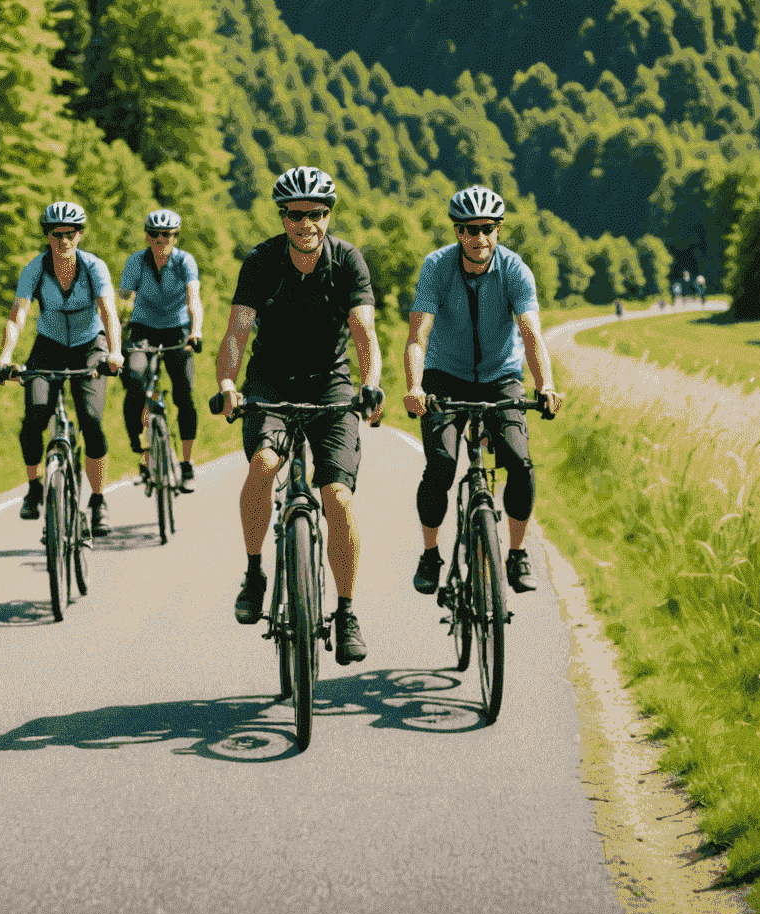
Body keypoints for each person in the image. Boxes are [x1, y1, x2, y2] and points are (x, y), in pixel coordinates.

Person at [214, 166, 383, 666]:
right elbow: (236, 333)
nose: (306, 222)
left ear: (328, 215)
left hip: (331, 382)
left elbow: (363, 330)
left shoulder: (347, 260)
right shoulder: (262, 261)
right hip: (270, 380)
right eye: (295, 214)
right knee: (264, 465)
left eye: (316, 214)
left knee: (336, 495)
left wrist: (370, 382)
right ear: (283, 217)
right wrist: (228, 382)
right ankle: (254, 572)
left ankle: (347, 612)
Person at [402, 185, 562, 598]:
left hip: (499, 375)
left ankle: (517, 553)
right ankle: (431, 554)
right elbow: (418, 336)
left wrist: (544, 384)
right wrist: (414, 386)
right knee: (440, 463)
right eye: (470, 230)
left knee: (520, 463)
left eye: (488, 229)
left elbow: (531, 333)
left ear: (498, 229)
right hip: (444, 375)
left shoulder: (515, 270)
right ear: (457, 232)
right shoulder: (436, 267)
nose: (480, 238)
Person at [0, 202, 124, 537]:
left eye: (70, 234)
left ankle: (97, 501)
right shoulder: (35, 270)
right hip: (48, 348)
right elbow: (17, 316)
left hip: (90, 347)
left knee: (91, 422)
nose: (63, 240)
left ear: (80, 235)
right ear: (47, 236)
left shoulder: (94, 267)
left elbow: (109, 313)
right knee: (35, 417)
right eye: (56, 234)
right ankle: (35, 486)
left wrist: (115, 352)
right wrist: (5, 357)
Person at [119, 208, 204, 491]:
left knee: (184, 394)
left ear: (175, 237)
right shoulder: (136, 262)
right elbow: (124, 302)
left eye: (166, 234)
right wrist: (118, 337)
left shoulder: (184, 262)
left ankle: (187, 463)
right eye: (154, 234)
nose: (160, 239)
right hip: (142, 327)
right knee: (134, 379)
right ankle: (141, 449)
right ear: (146, 236)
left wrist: (196, 331)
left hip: (177, 329)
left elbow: (194, 299)